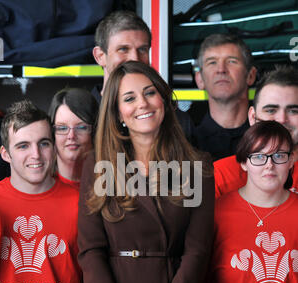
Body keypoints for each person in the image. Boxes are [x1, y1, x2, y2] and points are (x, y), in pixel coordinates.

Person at [77, 61, 214, 283]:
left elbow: (198, 251)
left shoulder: (198, 167)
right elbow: (90, 249)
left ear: (164, 99)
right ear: (117, 114)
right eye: (129, 98)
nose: (142, 104)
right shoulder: (97, 165)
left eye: (150, 93)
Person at [201, 120, 298, 283]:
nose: (269, 165)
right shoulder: (215, 213)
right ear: (244, 162)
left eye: (279, 155)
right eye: (258, 156)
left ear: (291, 160)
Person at [0, 100, 87, 283]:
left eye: (44, 143)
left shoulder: (80, 203)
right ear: (5, 153)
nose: (36, 154)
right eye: (23, 145)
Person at [91, 9, 196, 144]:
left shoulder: (175, 119)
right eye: (123, 49)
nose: (135, 58)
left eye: (142, 49)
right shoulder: (82, 117)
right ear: (100, 56)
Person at [214, 66, 298, 198]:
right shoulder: (220, 176)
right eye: (271, 110)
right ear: (253, 117)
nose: (282, 120)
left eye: (293, 111)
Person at [193, 33, 257, 160]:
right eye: (212, 63)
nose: (221, 69)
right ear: (199, 79)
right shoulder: (186, 144)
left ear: (251, 75)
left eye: (231, 61)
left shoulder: (268, 140)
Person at [48, 88, 99, 189]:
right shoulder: (38, 187)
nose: (71, 136)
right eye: (62, 128)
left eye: (81, 127)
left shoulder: (114, 186)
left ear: (95, 131)